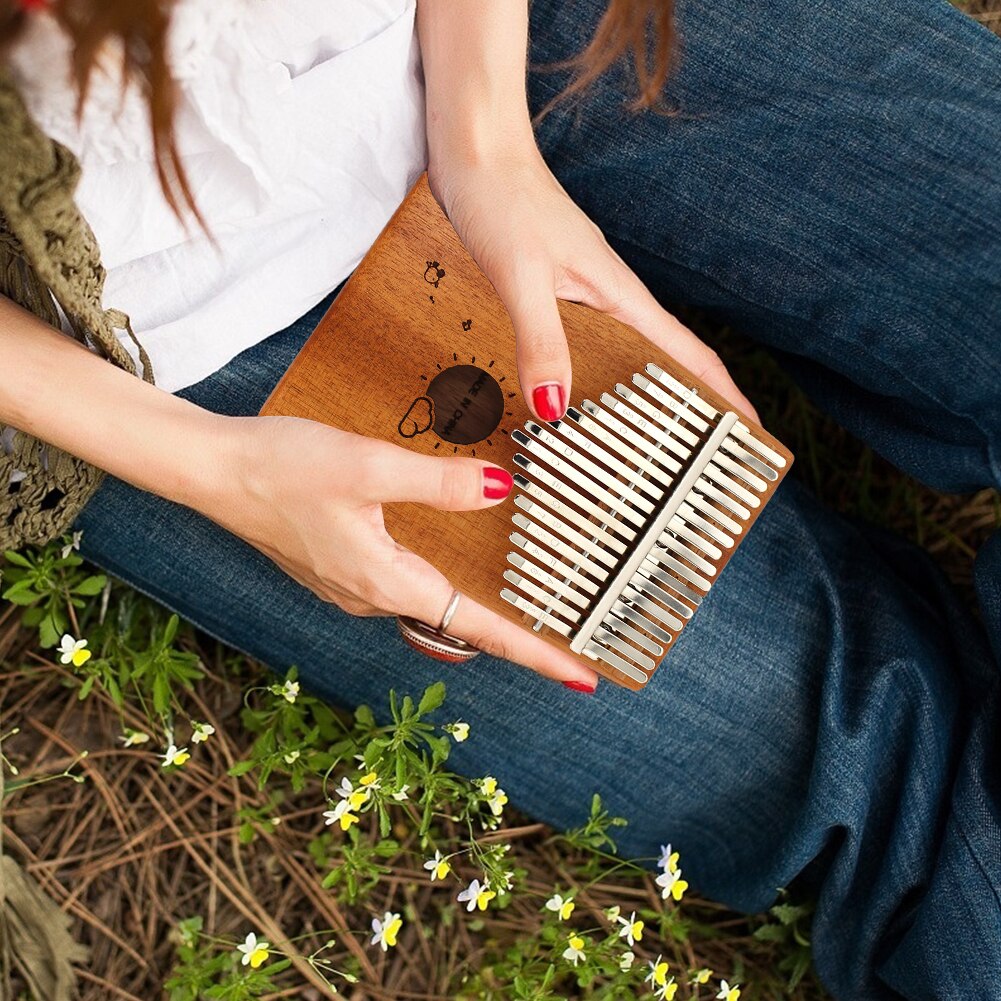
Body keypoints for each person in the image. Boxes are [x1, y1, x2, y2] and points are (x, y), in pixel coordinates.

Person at [1, 1, 998, 997]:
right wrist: (218, 469)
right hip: (150, 332)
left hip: (492, 31)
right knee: (887, 791)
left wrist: (484, 139)